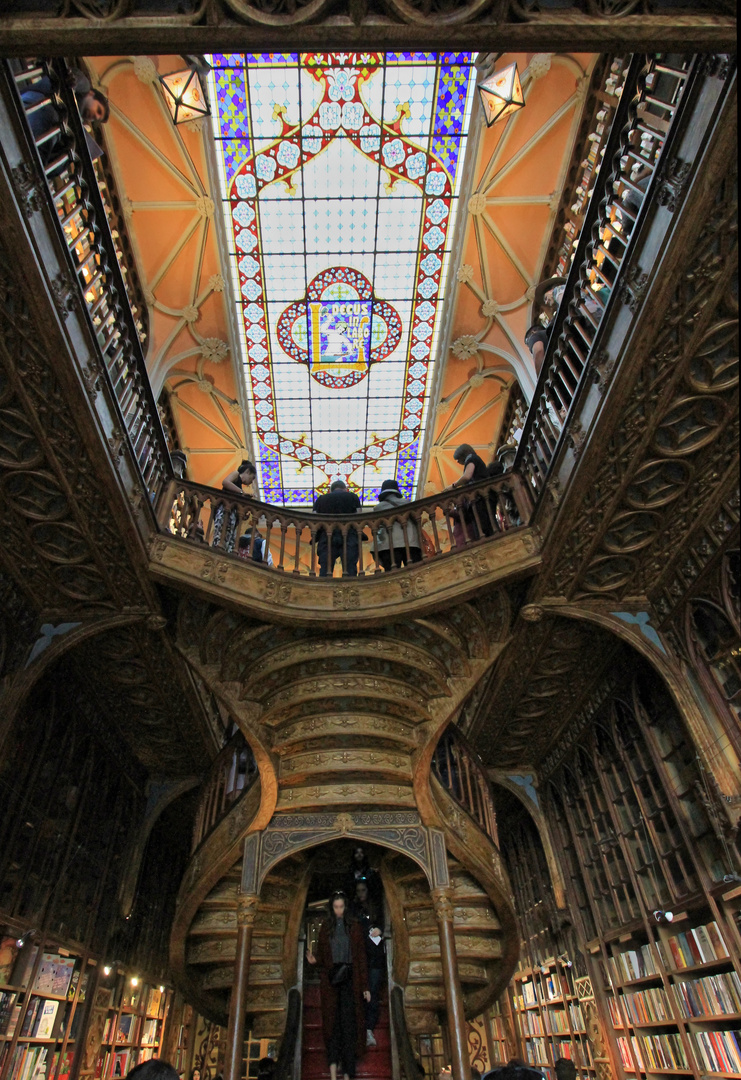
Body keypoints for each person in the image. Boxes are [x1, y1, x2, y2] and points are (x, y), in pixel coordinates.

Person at [306, 892, 370, 1080]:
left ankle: (349, 1073)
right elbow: (323, 957)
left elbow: (360, 958)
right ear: (331, 908)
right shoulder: (326, 927)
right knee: (333, 1025)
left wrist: (365, 986)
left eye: (341, 907)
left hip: (351, 980)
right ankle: (334, 1072)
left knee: (349, 1026)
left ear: (346, 907)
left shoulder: (355, 927)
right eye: (336, 907)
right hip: (332, 981)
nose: (339, 910)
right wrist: (314, 961)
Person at [21, 67, 109, 177]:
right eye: (98, 110)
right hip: (34, 106)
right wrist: (74, 82)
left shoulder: (75, 120)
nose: (94, 116)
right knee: (54, 119)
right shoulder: (84, 87)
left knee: (70, 148)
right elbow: (79, 79)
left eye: (96, 119)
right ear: (91, 94)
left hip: (42, 127)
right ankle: (33, 165)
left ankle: (36, 168)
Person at [368, 479, 422, 570]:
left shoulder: (378, 508)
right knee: (414, 572)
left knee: (391, 574)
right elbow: (416, 520)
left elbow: (377, 527)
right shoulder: (407, 503)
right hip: (410, 542)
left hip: (388, 544)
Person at [312, 480, 362, 578]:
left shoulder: (321, 499)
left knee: (325, 570)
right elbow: (359, 517)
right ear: (345, 489)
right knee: (350, 568)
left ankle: (324, 591)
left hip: (326, 536)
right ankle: (350, 589)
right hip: (349, 535)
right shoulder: (352, 497)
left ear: (330, 490)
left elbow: (314, 519)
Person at [450, 444, 494, 542]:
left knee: (483, 528)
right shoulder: (474, 459)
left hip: (480, 497)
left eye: (457, 459)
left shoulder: (471, 458)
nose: (457, 462)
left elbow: (467, 476)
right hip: (482, 497)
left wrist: (453, 486)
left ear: (462, 454)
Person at [524, 276, 566, 377]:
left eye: (546, 298)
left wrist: (541, 379)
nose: (546, 302)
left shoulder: (558, 291)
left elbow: (538, 352)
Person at [212, 459, 256, 552]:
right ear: (247, 472)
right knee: (221, 535)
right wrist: (241, 493)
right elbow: (225, 482)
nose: (251, 482)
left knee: (228, 538)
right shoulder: (236, 474)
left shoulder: (239, 487)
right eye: (252, 478)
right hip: (225, 511)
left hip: (231, 516)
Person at [364, 923, 386, 1048]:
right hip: (359, 958)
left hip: (376, 962)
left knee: (373, 993)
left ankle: (369, 1029)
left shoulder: (377, 913)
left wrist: (381, 929)